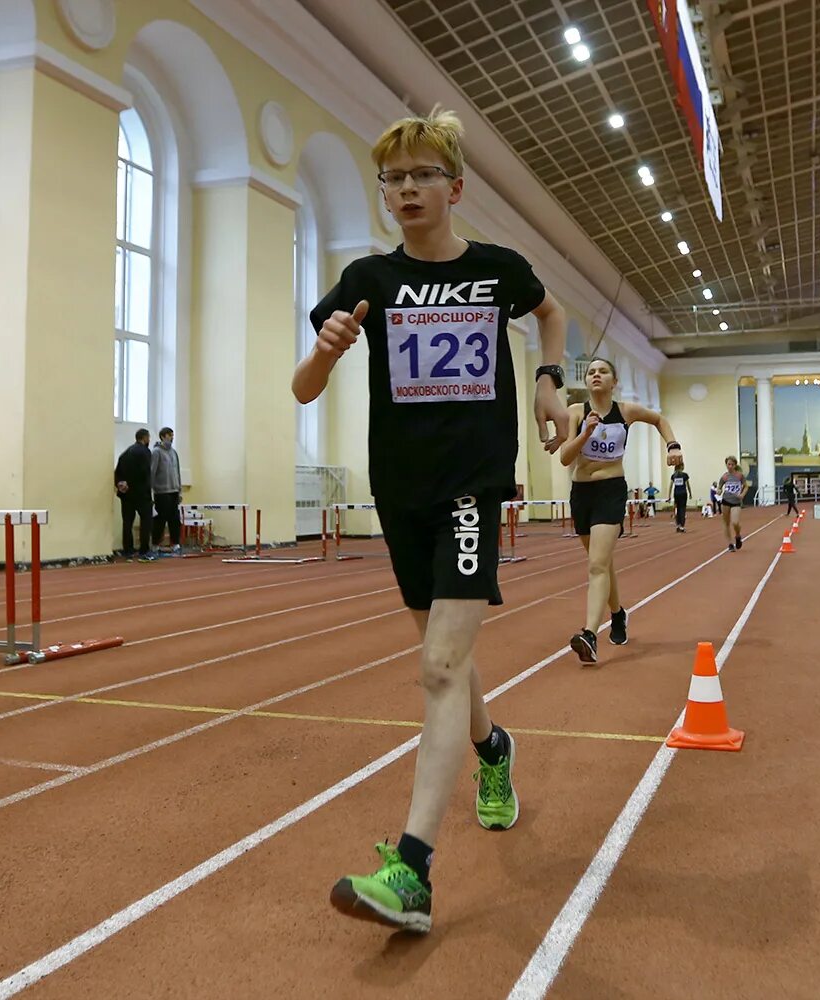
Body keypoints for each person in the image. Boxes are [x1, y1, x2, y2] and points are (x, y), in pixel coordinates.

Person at [292, 107, 570, 934]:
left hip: (470, 487)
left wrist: (547, 383)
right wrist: (328, 350)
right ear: (385, 195)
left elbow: (551, 313)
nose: (408, 189)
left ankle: (411, 870)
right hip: (400, 490)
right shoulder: (367, 280)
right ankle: (493, 752)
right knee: (441, 656)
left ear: (455, 186)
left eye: (422, 176)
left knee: (442, 666)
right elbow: (304, 389)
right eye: (394, 179)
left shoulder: (497, 271)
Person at [557, 358, 683, 663]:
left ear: (614, 382)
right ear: (586, 382)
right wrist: (585, 433)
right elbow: (564, 458)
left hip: (611, 491)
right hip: (582, 492)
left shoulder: (626, 411)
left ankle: (589, 634)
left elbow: (660, 420)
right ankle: (617, 613)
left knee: (597, 565)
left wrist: (673, 445)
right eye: (591, 372)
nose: (596, 375)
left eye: (603, 371)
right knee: (601, 563)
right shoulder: (575, 413)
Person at [113, 429, 154, 561]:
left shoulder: (125, 453)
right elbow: (146, 473)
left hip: (126, 494)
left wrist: (122, 485)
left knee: (127, 522)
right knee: (146, 522)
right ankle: (144, 551)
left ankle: (128, 551)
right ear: (145, 438)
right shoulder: (145, 452)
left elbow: (117, 472)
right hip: (141, 493)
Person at [151, 427, 183, 554]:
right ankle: (155, 544)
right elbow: (152, 472)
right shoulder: (156, 452)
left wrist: (179, 491)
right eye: (170, 435)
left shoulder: (174, 453)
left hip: (174, 491)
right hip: (161, 492)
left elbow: (178, 472)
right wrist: (151, 492)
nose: (172, 438)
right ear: (163, 436)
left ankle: (175, 543)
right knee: (160, 520)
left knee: (174, 519)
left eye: (173, 435)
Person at [716, 457, 750, 552]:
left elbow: (746, 486)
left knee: (735, 522)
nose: (730, 466)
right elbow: (719, 488)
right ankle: (730, 544)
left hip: (736, 502)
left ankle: (738, 535)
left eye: (732, 464)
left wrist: (742, 495)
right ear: (726, 465)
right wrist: (718, 491)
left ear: (735, 465)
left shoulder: (739, 476)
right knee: (726, 524)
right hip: (726, 501)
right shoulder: (724, 477)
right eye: (728, 464)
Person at [670, 465, 691, 533]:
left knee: (677, 509)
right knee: (682, 510)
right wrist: (690, 493)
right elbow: (688, 485)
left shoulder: (673, 476)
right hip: (683, 494)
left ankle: (678, 525)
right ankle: (682, 526)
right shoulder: (685, 475)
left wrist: (669, 495)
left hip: (676, 494)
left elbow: (670, 486)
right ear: (682, 467)